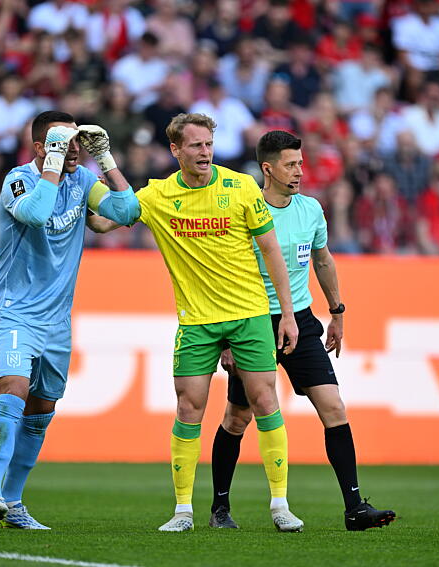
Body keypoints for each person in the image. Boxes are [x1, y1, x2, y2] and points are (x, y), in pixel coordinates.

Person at [115, 113, 303, 532]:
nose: (205, 152)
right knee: (188, 408)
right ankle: (183, 511)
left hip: (250, 315)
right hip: (197, 321)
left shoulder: (240, 187)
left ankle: (280, 505)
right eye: (196, 145)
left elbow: (271, 250)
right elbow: (108, 217)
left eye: (208, 144)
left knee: (265, 403)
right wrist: (91, 180)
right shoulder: (158, 195)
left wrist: (287, 314)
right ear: (175, 150)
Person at [208, 130, 396, 532]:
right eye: (291, 165)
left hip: (301, 320)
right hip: (250, 323)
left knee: (334, 408)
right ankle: (219, 507)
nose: (299, 172)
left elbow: (323, 261)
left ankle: (354, 508)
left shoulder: (310, 209)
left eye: (300, 164)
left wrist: (338, 312)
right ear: (267, 169)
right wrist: (226, 338)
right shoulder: (244, 210)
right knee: (238, 419)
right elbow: (224, 274)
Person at [0, 110, 138, 530]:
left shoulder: (83, 180)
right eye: (62, 142)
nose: (73, 150)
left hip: (57, 321)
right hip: (15, 309)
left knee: (41, 410)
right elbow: (33, 213)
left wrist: (106, 161)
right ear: (39, 148)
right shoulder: (18, 180)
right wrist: (51, 164)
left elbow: (127, 212)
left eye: (76, 142)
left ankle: (12, 503)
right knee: (13, 390)